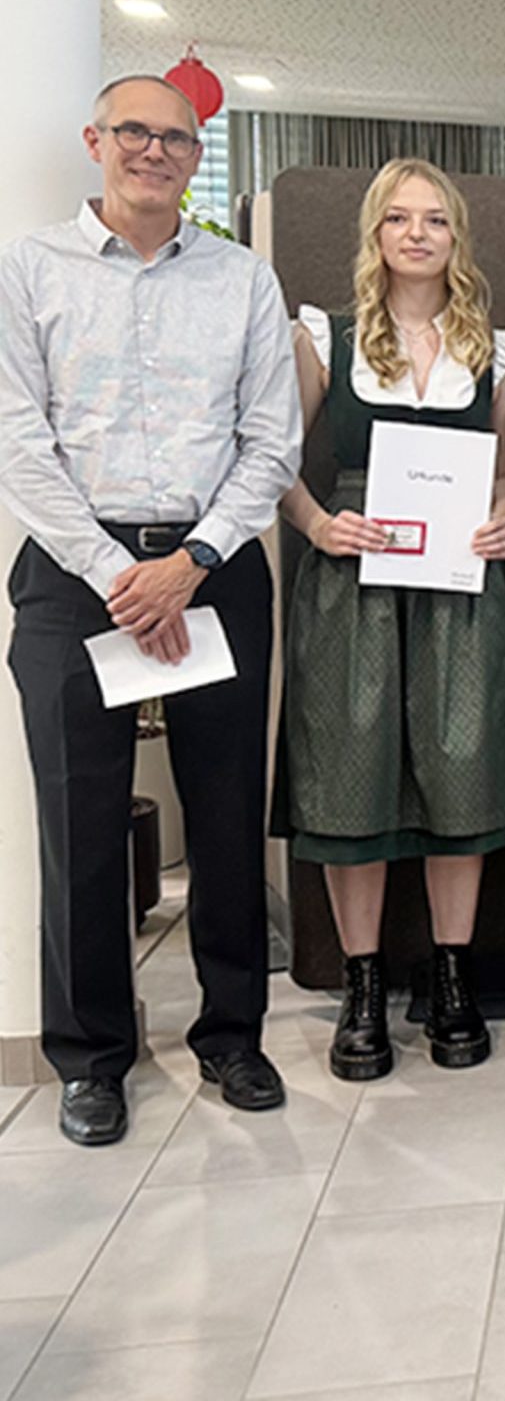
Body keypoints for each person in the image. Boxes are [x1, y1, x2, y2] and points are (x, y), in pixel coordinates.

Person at [0, 74, 301, 1145]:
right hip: (73, 575)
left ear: (196, 156)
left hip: (213, 567)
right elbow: (17, 438)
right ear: (97, 139)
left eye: (177, 138)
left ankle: (232, 1034)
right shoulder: (30, 268)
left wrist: (191, 561)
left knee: (224, 811)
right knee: (78, 823)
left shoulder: (242, 279)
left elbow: (271, 439)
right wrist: (114, 572)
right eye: (135, 131)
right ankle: (91, 1058)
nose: (155, 151)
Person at [275, 158, 505, 1081]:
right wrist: (318, 524)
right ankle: (362, 984)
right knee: (352, 779)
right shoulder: (324, 338)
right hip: (354, 583)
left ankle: (453, 976)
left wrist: (504, 521)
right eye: (398, 218)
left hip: (460, 586)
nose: (417, 234)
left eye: (434, 219)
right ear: (374, 233)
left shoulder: (496, 350)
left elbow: (504, 476)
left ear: (457, 235)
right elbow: (270, 459)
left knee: (462, 776)